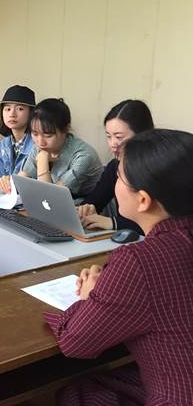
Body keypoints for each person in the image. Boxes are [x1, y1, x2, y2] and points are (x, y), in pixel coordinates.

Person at [45, 129, 193, 406]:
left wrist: (89, 297)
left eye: (119, 176)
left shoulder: (140, 261)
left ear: (143, 200)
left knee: (79, 392)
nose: (114, 181)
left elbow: (75, 343)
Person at [77, 100, 154, 233]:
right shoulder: (115, 165)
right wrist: (87, 208)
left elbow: (160, 223)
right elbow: (96, 199)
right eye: (108, 136)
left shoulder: (158, 168)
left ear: (142, 135)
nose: (113, 144)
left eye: (119, 137)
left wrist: (114, 222)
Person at [20, 98, 103, 198]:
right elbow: (22, 181)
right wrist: (8, 182)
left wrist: (42, 162)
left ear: (66, 129)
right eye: (35, 134)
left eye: (48, 135)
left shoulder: (84, 155)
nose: (40, 142)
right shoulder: (39, 147)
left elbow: (50, 197)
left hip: (88, 204)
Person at [0, 85, 36, 194]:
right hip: (8, 198)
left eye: (20, 109)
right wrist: (1, 183)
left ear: (31, 113)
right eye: (7, 109)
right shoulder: (3, 145)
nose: (12, 114)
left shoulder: (38, 143)